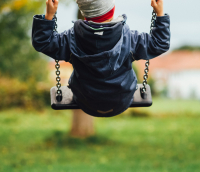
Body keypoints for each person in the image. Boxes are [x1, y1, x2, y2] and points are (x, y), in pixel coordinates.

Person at [32, 0, 170, 117]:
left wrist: (49, 16)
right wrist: (160, 14)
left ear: (84, 12)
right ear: (112, 9)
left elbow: (43, 43)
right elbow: (160, 44)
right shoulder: (130, 39)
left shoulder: (70, 38)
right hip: (121, 100)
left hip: (86, 101)